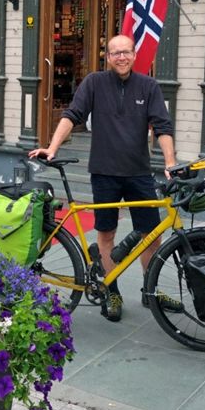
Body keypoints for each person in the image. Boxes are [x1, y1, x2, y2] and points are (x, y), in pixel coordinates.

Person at [29, 34, 178, 322]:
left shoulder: (149, 86)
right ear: (107, 57)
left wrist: (170, 163)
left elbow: (162, 126)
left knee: (151, 235)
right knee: (106, 234)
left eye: (126, 52)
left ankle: (151, 292)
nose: (121, 57)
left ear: (134, 55)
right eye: (115, 53)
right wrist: (52, 147)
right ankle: (112, 291)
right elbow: (72, 115)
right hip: (104, 173)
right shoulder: (94, 83)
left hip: (139, 172)